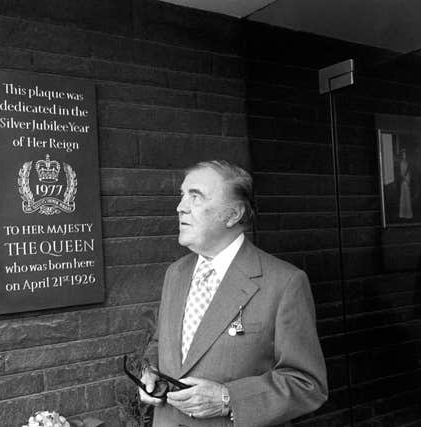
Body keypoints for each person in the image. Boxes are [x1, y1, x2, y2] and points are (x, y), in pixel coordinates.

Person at [139, 160, 328, 426]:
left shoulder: (284, 283)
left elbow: (307, 384)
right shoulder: (175, 274)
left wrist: (228, 398)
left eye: (195, 197)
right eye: (182, 195)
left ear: (233, 215)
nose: (180, 207)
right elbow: (160, 344)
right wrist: (151, 372)